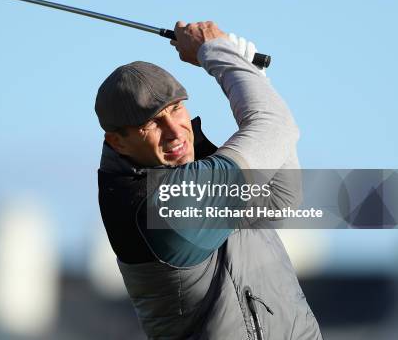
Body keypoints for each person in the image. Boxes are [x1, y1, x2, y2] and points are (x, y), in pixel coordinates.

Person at [95, 21, 323, 339]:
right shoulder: (159, 205)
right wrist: (217, 53)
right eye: (152, 124)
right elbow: (275, 128)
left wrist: (253, 76)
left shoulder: (195, 174)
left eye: (176, 109)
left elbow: (279, 198)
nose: (175, 131)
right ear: (117, 142)